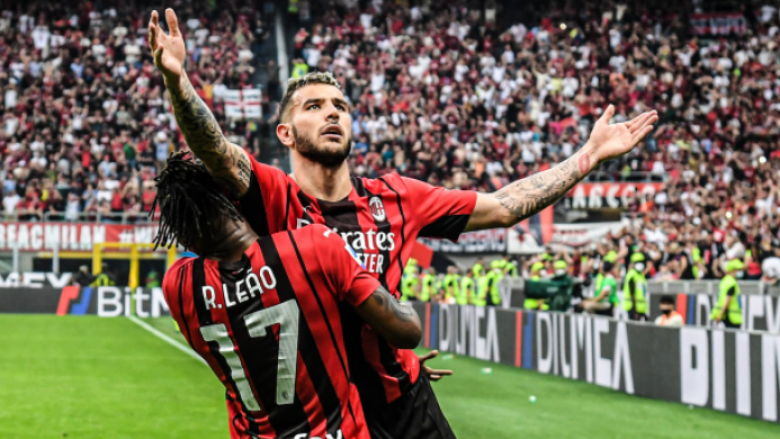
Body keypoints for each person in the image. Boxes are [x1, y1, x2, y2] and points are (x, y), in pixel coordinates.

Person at [149, 9, 656, 438]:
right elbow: (216, 152)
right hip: (327, 413)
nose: (332, 114)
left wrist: (587, 157)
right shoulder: (273, 195)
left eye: (340, 106)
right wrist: (177, 81)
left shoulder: (397, 197)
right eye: (314, 106)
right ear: (285, 132)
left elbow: (503, 206)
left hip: (403, 400)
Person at [153, 153, 421, 439]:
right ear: (235, 198)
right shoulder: (312, 246)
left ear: (184, 234)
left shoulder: (179, 286)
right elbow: (407, 332)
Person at [711, 259, 744, 329]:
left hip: (725, 315)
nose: (739, 271)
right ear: (733, 270)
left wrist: (720, 314)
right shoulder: (731, 283)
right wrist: (720, 315)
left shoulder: (725, 281)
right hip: (732, 317)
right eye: (738, 270)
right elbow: (727, 300)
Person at [623, 253, 648, 321]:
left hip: (641, 309)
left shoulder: (641, 275)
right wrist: (635, 311)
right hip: (633, 309)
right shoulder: (632, 275)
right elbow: (632, 293)